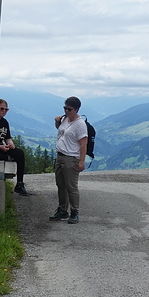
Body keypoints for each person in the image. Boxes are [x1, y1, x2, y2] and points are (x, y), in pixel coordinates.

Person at [50, 96, 88, 224]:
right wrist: (57, 122)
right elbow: (62, 132)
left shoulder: (80, 124)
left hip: (71, 158)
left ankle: (75, 212)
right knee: (60, 184)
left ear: (76, 109)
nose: (66, 111)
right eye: (65, 108)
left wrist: (81, 161)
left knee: (71, 186)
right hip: (60, 156)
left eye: (69, 109)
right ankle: (62, 210)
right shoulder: (65, 119)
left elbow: (83, 144)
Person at [0, 99, 29, 196]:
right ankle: (8, 157)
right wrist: (0, 147)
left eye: (6, 109)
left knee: (19, 153)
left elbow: (7, 138)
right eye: (2, 108)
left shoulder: (4, 122)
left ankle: (20, 183)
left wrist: (11, 144)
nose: (4, 111)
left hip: (2, 147)